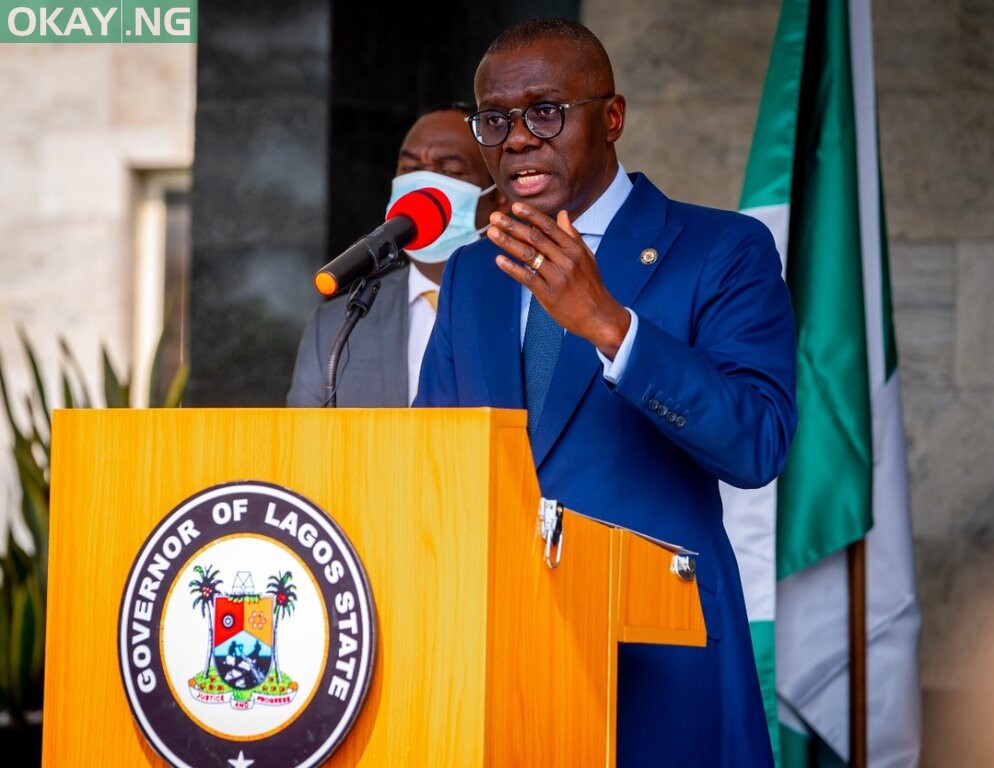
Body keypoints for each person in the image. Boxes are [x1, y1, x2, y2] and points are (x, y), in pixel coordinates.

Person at [414, 18, 797, 768]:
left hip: (660, 663)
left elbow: (757, 442)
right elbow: (432, 461)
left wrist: (614, 329)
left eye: (546, 111)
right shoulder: (471, 275)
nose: (517, 138)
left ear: (612, 117)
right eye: (495, 119)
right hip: (496, 664)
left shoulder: (721, 249)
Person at [286, 103, 507, 407]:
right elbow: (304, 445)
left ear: (499, 197)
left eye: (449, 171)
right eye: (411, 170)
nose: (423, 190)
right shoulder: (336, 325)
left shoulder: (530, 305)